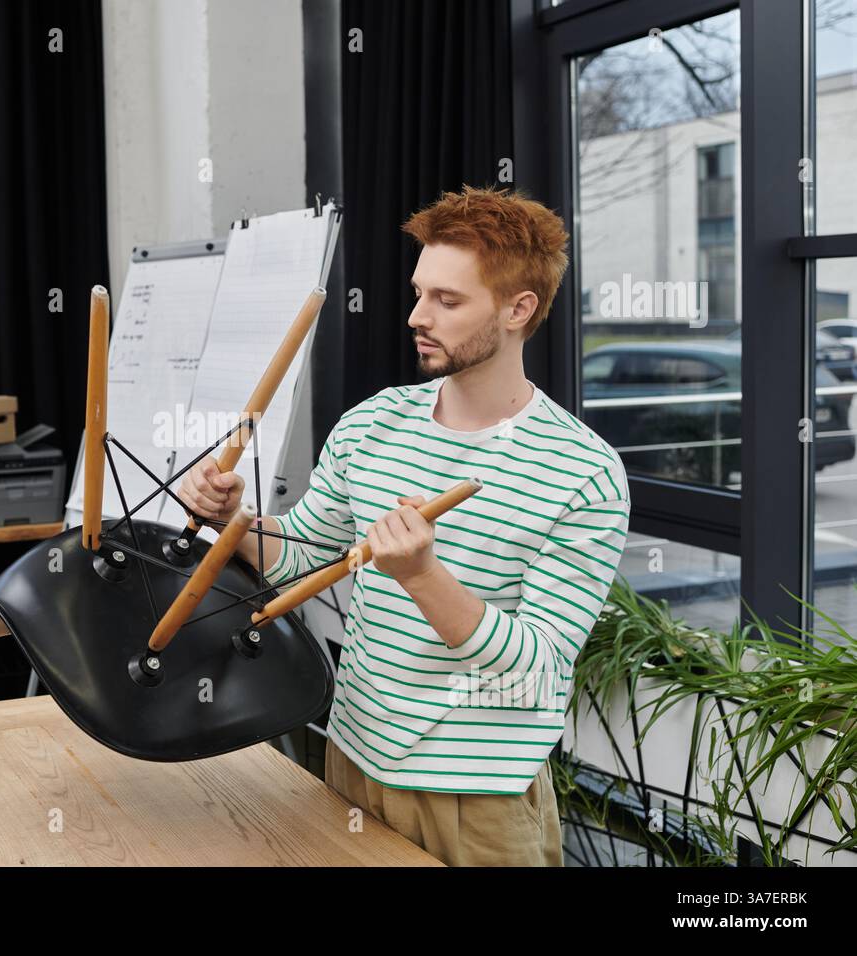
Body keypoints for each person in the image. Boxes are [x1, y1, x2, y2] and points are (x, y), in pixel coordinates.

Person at [177, 185, 630, 866]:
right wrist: (230, 521)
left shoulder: (583, 471)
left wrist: (423, 576)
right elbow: (300, 556)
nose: (418, 316)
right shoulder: (373, 423)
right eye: (420, 293)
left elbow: (535, 668)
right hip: (353, 758)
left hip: (477, 794)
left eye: (448, 301)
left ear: (519, 308)